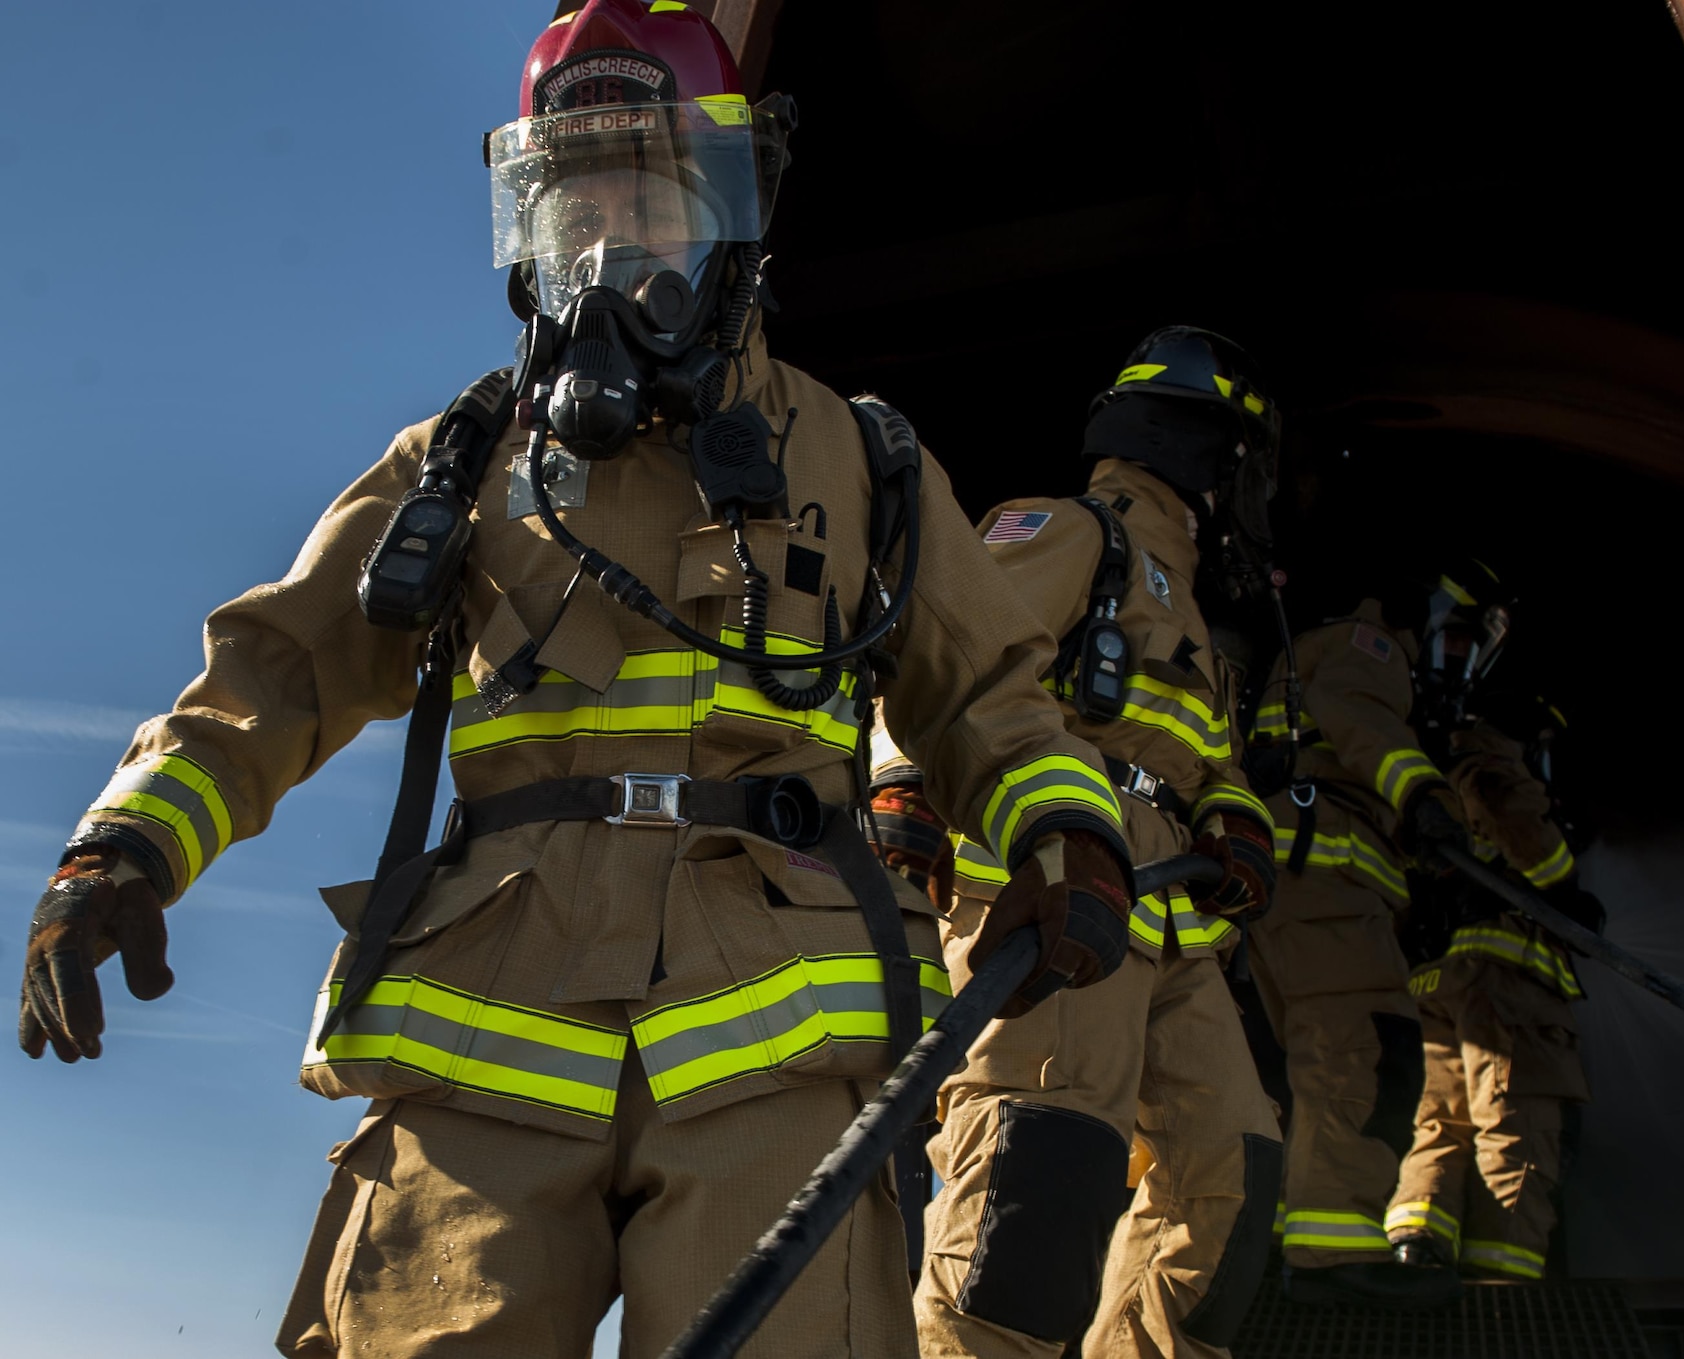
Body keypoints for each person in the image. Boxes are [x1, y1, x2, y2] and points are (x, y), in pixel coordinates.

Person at [16, 6, 1134, 1357]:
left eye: (646, 207)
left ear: (727, 214)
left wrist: (1068, 831)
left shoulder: (862, 458)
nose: (610, 258)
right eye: (574, 214)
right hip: (486, 1050)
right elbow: (279, 666)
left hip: (774, 1056)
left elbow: (988, 694)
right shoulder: (460, 459)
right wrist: (120, 844)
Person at [874, 328, 1286, 1358]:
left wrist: (1233, 811)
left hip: (1169, 934)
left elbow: (1193, 759)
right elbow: (943, 656)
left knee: (1231, 1176)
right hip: (1055, 909)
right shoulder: (1071, 534)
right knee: (1032, 1192)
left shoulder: (1188, 610)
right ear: (1215, 455)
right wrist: (898, 782)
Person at [1238, 577, 1473, 1308]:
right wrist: (1423, 796)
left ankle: (1288, 1244)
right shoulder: (1368, 645)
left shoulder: (1318, 642)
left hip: (1307, 881)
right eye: (1459, 634)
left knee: (1299, 1066)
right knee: (1366, 1048)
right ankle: (1330, 1257)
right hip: (1323, 874)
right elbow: (1357, 716)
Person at [1384, 564, 1601, 1286]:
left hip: (1445, 972)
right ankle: (1502, 1292)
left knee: (1442, 1121)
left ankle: (1418, 1242)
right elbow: (1517, 814)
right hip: (1511, 974)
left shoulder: (1430, 748)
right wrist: (1562, 889)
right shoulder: (1490, 742)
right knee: (1518, 1126)